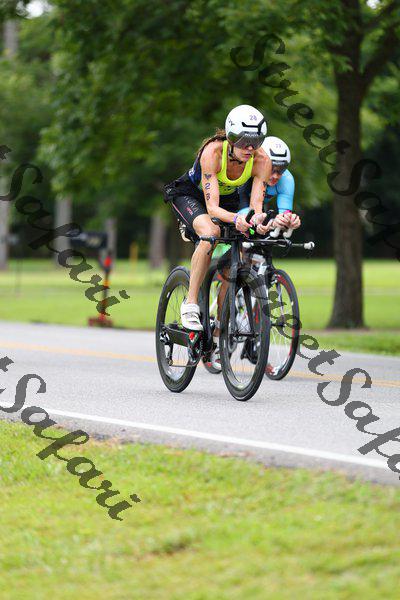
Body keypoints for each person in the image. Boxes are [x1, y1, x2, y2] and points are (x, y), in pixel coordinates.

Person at [164, 105, 272, 335]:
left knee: (241, 245)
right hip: (191, 196)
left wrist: (258, 220)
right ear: (231, 137)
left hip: (227, 199)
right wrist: (238, 218)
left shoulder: (262, 160)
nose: (250, 148)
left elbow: (255, 207)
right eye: (244, 141)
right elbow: (212, 209)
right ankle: (190, 304)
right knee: (210, 233)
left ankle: (221, 325)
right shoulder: (213, 153)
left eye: (256, 141)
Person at [238, 136, 301, 231]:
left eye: (281, 170)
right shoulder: (246, 172)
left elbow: (284, 215)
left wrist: (288, 221)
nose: (276, 176)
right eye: (271, 169)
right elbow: (243, 210)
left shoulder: (287, 179)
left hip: (257, 211)